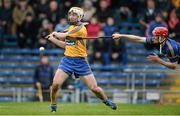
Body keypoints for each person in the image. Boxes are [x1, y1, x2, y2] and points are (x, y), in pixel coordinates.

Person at [47, 7, 117, 112]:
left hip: (81, 62)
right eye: (70, 14)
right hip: (67, 61)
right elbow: (66, 45)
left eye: (74, 15)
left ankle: (106, 100)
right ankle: (53, 105)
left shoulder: (80, 29)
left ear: (80, 17)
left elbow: (63, 37)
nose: (71, 16)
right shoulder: (71, 27)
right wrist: (52, 39)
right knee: (55, 84)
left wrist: (55, 33)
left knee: (94, 88)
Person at [112, 27, 180, 69]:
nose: (154, 37)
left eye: (156, 36)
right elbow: (138, 39)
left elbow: (174, 66)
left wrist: (159, 60)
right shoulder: (157, 40)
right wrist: (121, 35)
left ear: (162, 38)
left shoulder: (171, 48)